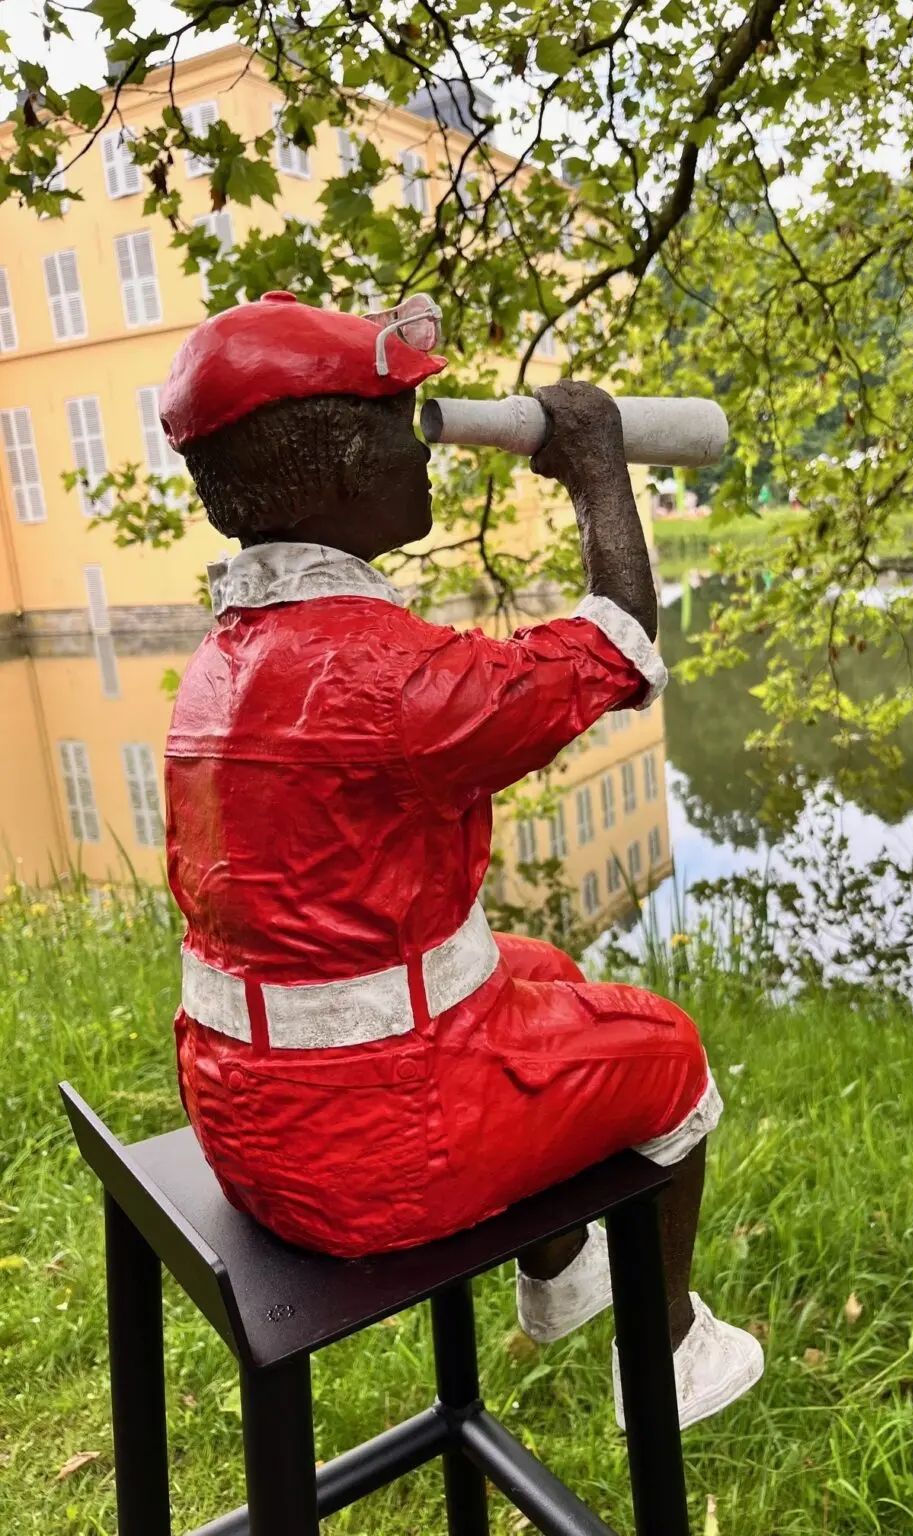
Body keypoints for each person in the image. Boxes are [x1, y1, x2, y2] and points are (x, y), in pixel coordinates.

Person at [159, 291, 763, 1429]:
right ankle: (668, 1355)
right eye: (403, 417)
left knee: (540, 966)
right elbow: (617, 645)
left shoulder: (229, 659)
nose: (421, 441)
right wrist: (596, 469)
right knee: (668, 1054)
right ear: (342, 460)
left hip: (246, 1111)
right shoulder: (383, 679)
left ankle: (559, 1276)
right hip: (366, 1154)